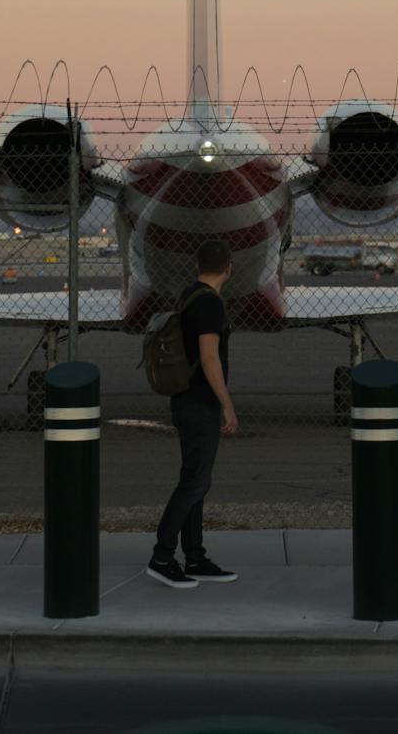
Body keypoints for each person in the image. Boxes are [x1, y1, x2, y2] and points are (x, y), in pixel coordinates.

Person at [147, 239, 239, 588]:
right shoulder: (211, 305)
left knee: (196, 482)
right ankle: (162, 556)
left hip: (186, 401)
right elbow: (209, 356)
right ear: (229, 267)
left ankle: (195, 557)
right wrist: (227, 405)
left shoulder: (189, 295)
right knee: (195, 483)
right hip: (200, 404)